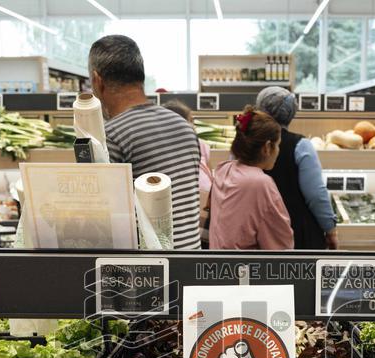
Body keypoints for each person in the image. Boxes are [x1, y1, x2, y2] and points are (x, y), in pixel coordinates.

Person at [89, 35, 202, 249]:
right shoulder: (184, 127)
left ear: (97, 80)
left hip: (150, 272)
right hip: (191, 259)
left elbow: (106, 223)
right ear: (140, 75)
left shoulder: (111, 136)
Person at [255, 86, 339, 250]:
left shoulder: (246, 143)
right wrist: (330, 230)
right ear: (291, 113)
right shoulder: (301, 145)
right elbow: (316, 194)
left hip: (258, 233)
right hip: (298, 234)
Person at [208, 107, 294, 250]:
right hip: (245, 269)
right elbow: (281, 243)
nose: (278, 151)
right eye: (278, 145)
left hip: (218, 266)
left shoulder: (223, 169)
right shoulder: (260, 183)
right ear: (267, 147)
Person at [162, 100, 214, 244]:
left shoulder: (201, 145)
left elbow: (209, 172)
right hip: (187, 213)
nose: (194, 126)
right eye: (190, 121)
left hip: (204, 208)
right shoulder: (167, 152)